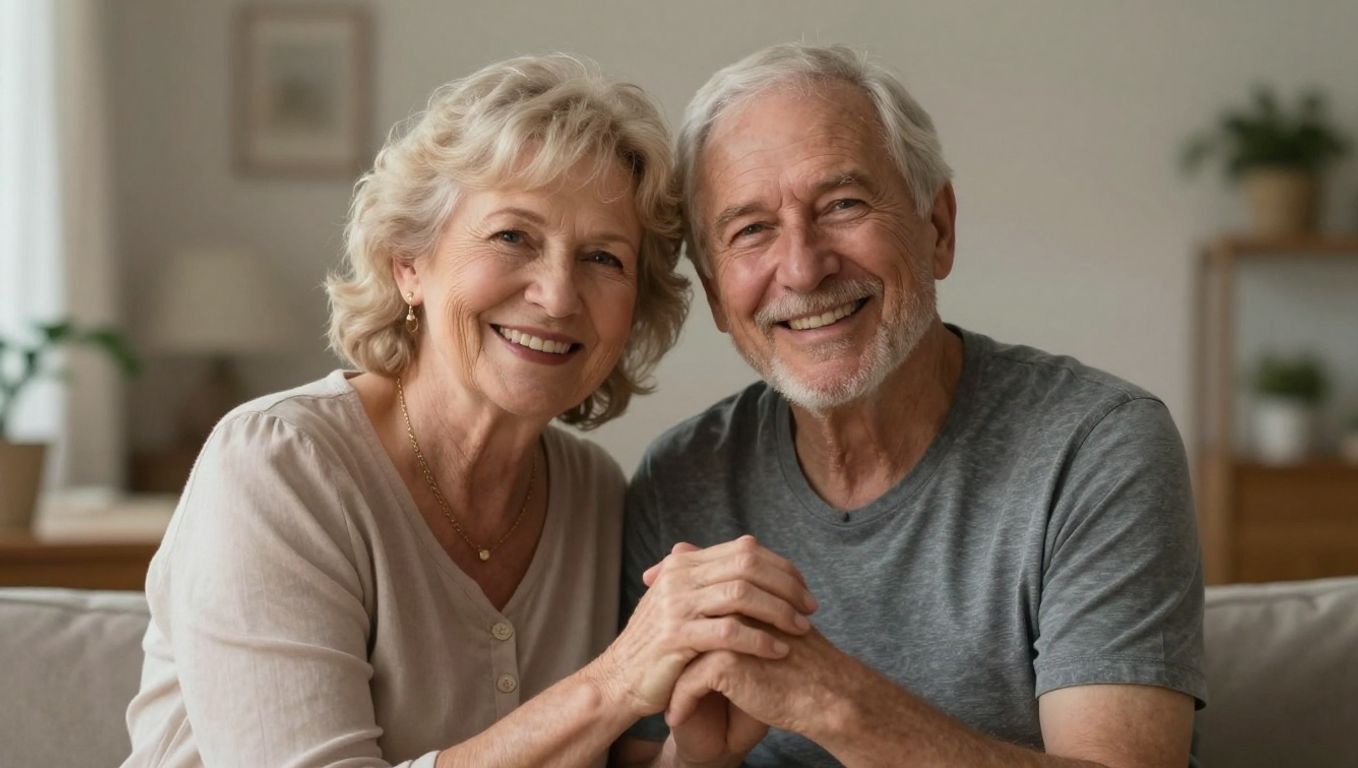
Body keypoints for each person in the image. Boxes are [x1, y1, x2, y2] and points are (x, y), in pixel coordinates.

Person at [122, 54, 818, 768]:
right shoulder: (278, 468)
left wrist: (693, 756)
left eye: (604, 259)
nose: (556, 295)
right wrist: (613, 682)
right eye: (513, 236)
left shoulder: (597, 495)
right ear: (408, 263)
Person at [614, 44, 1207, 768]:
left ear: (937, 229)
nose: (802, 267)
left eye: (843, 204)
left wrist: (832, 703)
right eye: (750, 230)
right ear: (713, 293)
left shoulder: (1095, 447)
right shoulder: (680, 481)